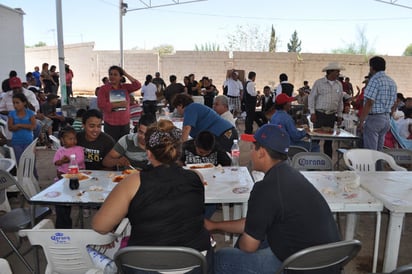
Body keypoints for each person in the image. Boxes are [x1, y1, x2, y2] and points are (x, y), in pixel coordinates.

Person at [205, 124, 340, 274]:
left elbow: (248, 246)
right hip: (330, 260)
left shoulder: (266, 188)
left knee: (221, 258)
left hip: (300, 266)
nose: (251, 153)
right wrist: (214, 225)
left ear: (261, 153)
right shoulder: (291, 175)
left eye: (252, 148)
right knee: (259, 236)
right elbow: (253, 222)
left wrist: (243, 241)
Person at [92, 121, 213, 273]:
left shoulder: (133, 182)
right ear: (178, 151)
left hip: (143, 265)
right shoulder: (196, 177)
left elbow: (100, 226)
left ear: (148, 153)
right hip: (194, 262)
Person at [173, 94, 238, 153]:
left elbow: (186, 129)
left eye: (176, 108)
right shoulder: (195, 107)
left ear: (180, 105)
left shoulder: (190, 108)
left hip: (224, 134)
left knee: (220, 157)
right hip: (227, 132)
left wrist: (181, 148)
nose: (177, 111)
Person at [358, 56, 397, 151]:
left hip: (374, 118)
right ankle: (378, 166)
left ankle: (372, 166)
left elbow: (369, 102)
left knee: (371, 151)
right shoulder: (391, 82)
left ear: (371, 67)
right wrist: (389, 115)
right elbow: (395, 102)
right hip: (386, 118)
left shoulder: (374, 80)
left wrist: (361, 121)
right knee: (379, 151)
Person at [308, 62, 345, 157]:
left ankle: (327, 162)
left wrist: (340, 115)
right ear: (331, 72)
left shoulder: (339, 85)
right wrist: (312, 113)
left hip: (331, 116)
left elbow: (340, 101)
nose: (338, 73)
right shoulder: (319, 83)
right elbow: (311, 98)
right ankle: (312, 160)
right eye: (337, 71)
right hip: (320, 114)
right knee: (316, 139)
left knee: (329, 141)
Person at [97, 66, 141, 142]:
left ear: (120, 77)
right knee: (111, 146)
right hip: (111, 124)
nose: (112, 76)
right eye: (110, 74)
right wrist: (116, 104)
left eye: (115, 74)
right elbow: (101, 105)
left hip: (125, 124)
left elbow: (137, 85)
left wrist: (125, 74)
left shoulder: (125, 87)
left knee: (123, 147)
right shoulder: (103, 89)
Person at [53, 126, 85, 228]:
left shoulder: (79, 149)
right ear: (62, 140)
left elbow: (80, 160)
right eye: (70, 139)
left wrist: (70, 160)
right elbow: (56, 163)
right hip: (62, 179)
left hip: (78, 178)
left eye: (74, 138)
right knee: (61, 201)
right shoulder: (60, 151)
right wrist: (62, 161)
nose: (73, 141)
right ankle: (63, 225)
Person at [7, 93, 36, 163]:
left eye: (17, 103)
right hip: (16, 141)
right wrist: (26, 126)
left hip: (28, 141)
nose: (15, 105)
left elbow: (33, 127)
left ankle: (33, 174)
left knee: (30, 162)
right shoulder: (11, 114)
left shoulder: (30, 113)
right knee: (19, 162)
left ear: (24, 103)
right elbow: (10, 128)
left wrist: (18, 125)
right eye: (13, 103)